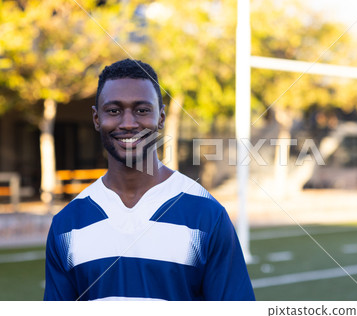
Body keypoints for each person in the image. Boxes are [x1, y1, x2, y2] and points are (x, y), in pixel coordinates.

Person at [44, 59, 255, 301]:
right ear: (96, 118)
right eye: (114, 111)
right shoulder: (67, 224)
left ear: (161, 117)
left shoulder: (206, 215)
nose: (128, 123)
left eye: (142, 110)